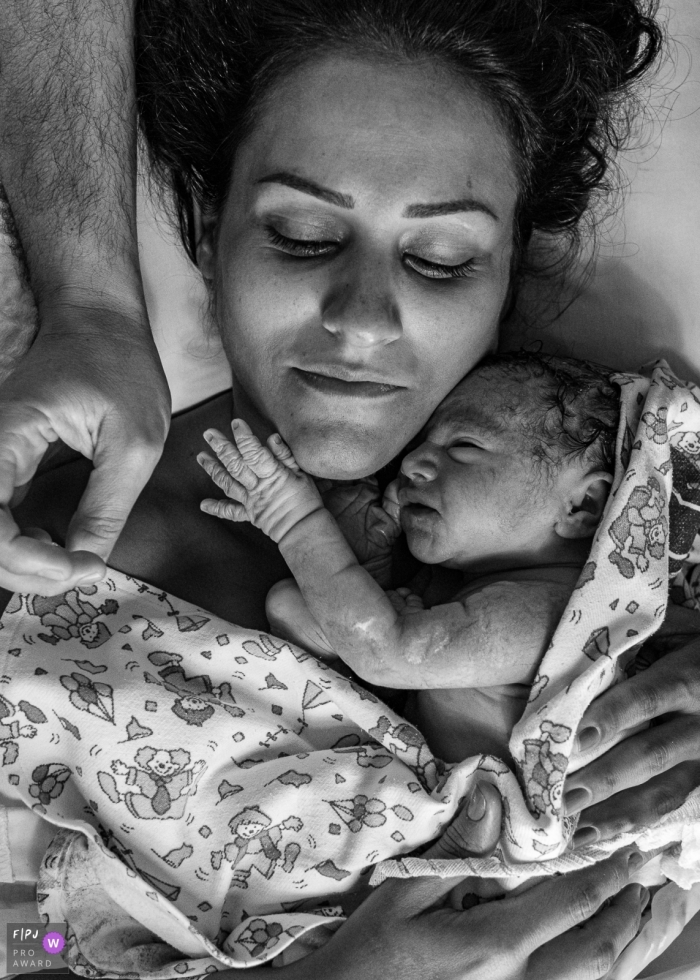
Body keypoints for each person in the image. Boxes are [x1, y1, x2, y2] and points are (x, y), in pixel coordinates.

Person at [0, 0, 698, 973]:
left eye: (439, 257)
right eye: (300, 233)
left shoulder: (623, 553)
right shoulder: (38, 537)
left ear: (507, 277)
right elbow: (31, 935)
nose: (363, 317)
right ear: (209, 233)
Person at [199, 352, 618, 764]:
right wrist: (367, 571)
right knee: (291, 605)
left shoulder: (558, 615)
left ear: (580, 505)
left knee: (294, 608)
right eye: (420, 444)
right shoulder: (471, 582)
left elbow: (386, 655)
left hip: (472, 817)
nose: (413, 462)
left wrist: (298, 523)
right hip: (412, 779)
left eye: (464, 446)